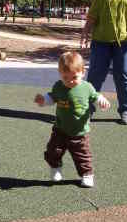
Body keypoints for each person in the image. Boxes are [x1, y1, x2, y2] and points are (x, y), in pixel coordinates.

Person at [34, 51, 110, 188]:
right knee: (52, 151)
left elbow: (95, 96)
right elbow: (52, 98)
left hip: (80, 132)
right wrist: (43, 100)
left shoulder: (87, 87)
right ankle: (55, 167)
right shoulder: (59, 86)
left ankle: (87, 174)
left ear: (83, 72)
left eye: (74, 77)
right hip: (60, 129)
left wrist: (102, 101)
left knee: (82, 156)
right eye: (65, 77)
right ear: (60, 74)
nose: (70, 81)